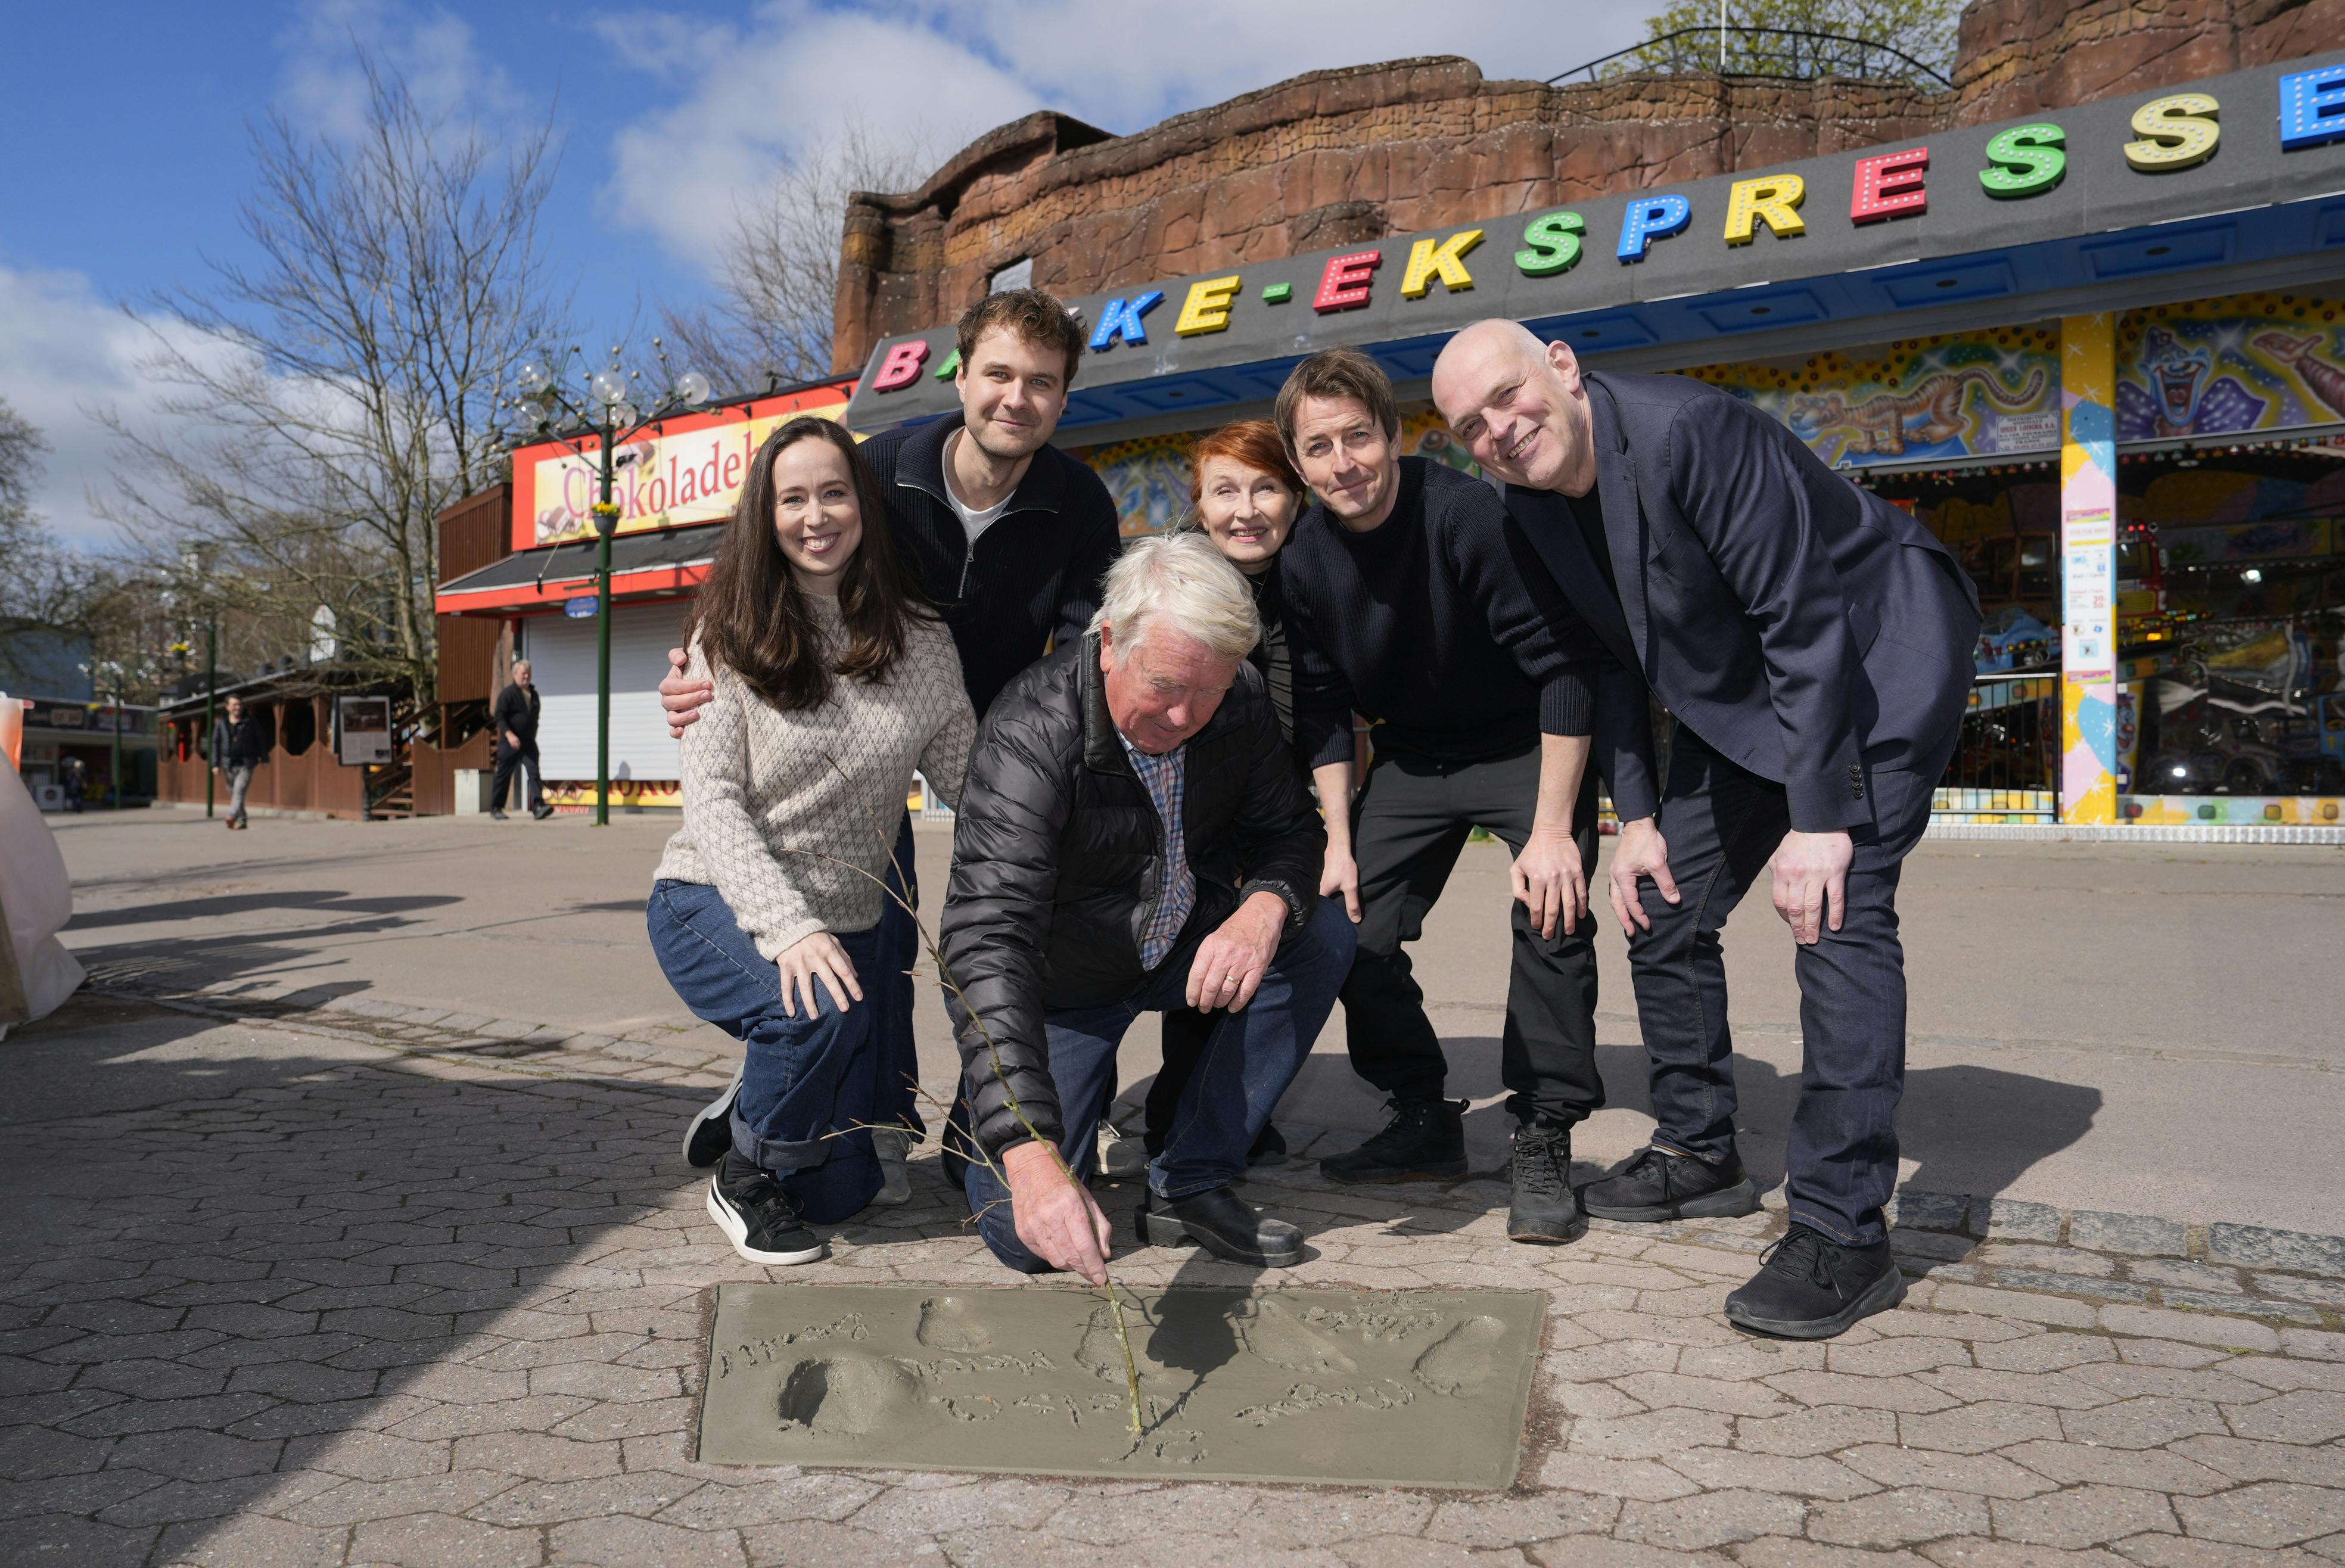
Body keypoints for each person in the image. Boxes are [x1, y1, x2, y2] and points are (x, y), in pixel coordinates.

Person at [1431, 318, 1983, 1339]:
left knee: (1833, 910)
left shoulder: (1690, 431)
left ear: (1560, 365)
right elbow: (1605, 662)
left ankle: (1842, 1229)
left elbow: (1801, 617)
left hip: (1875, 654)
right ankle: (1699, 1149)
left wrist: (1818, 821)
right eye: (1473, 426)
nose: (1501, 430)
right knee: (1659, 899)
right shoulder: (1530, 508)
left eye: (1508, 396)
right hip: (1748, 699)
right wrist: (1634, 816)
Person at [661, 288, 1118, 1195]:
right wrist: (697, 661)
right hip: (859, 737)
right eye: (998, 374)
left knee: (944, 942)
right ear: (961, 374)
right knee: (863, 975)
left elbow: (1082, 663)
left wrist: (1058, 800)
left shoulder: (1079, 505)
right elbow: (778, 542)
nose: (1016, 398)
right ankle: (803, 1081)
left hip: (975, 743)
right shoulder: (878, 469)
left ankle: (903, 1101)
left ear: (1063, 397)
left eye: (1042, 383)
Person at [941, 533, 1354, 1280]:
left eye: (1211, 689)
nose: (1185, 714)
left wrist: (1262, 909)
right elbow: (987, 939)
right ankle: (990, 1119)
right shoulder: (1030, 733)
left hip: (1175, 943)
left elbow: (1291, 833)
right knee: (1022, 1236)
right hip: (1062, 987)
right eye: (1165, 684)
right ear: (1108, 644)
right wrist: (1030, 1157)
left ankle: (1190, 1176)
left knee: (1317, 931)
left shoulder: (1239, 698)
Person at [1274, 347, 1606, 1247]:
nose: (1343, 464)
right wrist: (1338, 841)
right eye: (1318, 448)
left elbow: (1564, 664)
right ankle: (1423, 1117)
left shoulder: (1465, 515)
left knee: (1552, 913)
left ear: (1392, 435)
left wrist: (1552, 831)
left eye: (1358, 437)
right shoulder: (1302, 559)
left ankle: (1543, 1132)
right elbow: (1326, 709)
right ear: (1298, 465)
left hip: (1526, 738)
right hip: (1414, 757)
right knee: (1345, 926)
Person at [645, 416, 974, 1267]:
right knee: (815, 1011)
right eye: (793, 498)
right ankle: (745, 1177)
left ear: (863, 504)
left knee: (844, 1194)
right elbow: (711, 803)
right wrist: (787, 927)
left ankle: (747, 1111)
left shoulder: (922, 641)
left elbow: (972, 781)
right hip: (713, 900)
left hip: (851, 926)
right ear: (768, 513)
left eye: (834, 493)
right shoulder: (730, 632)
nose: (816, 515)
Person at [1144, 420, 1308, 1166]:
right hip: (1190, 803)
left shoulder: (1316, 575)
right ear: (1200, 506)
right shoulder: (1177, 584)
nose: (1246, 509)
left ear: (1296, 498)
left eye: (1266, 487)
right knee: (1205, 951)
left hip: (1283, 800)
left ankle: (1219, 1106)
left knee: (1296, 941)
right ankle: (1176, 1109)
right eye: (1225, 491)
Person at [490, 661, 550, 821]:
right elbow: (499, 717)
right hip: (511, 742)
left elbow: (534, 716)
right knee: (503, 775)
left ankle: (538, 806)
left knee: (534, 772)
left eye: (528, 673)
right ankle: (496, 808)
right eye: (523, 673)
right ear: (515, 674)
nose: (526, 676)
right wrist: (509, 735)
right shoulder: (508, 694)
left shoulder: (533, 694)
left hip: (528, 742)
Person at [211, 695, 267, 830]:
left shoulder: (250, 722)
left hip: (246, 763)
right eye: (235, 705)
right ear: (227, 707)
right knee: (232, 791)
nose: (238, 707)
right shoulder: (222, 723)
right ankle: (242, 820)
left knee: (239, 790)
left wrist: (264, 758)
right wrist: (215, 764)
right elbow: (215, 743)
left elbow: (260, 739)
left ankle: (232, 815)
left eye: (240, 704)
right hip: (228, 763)